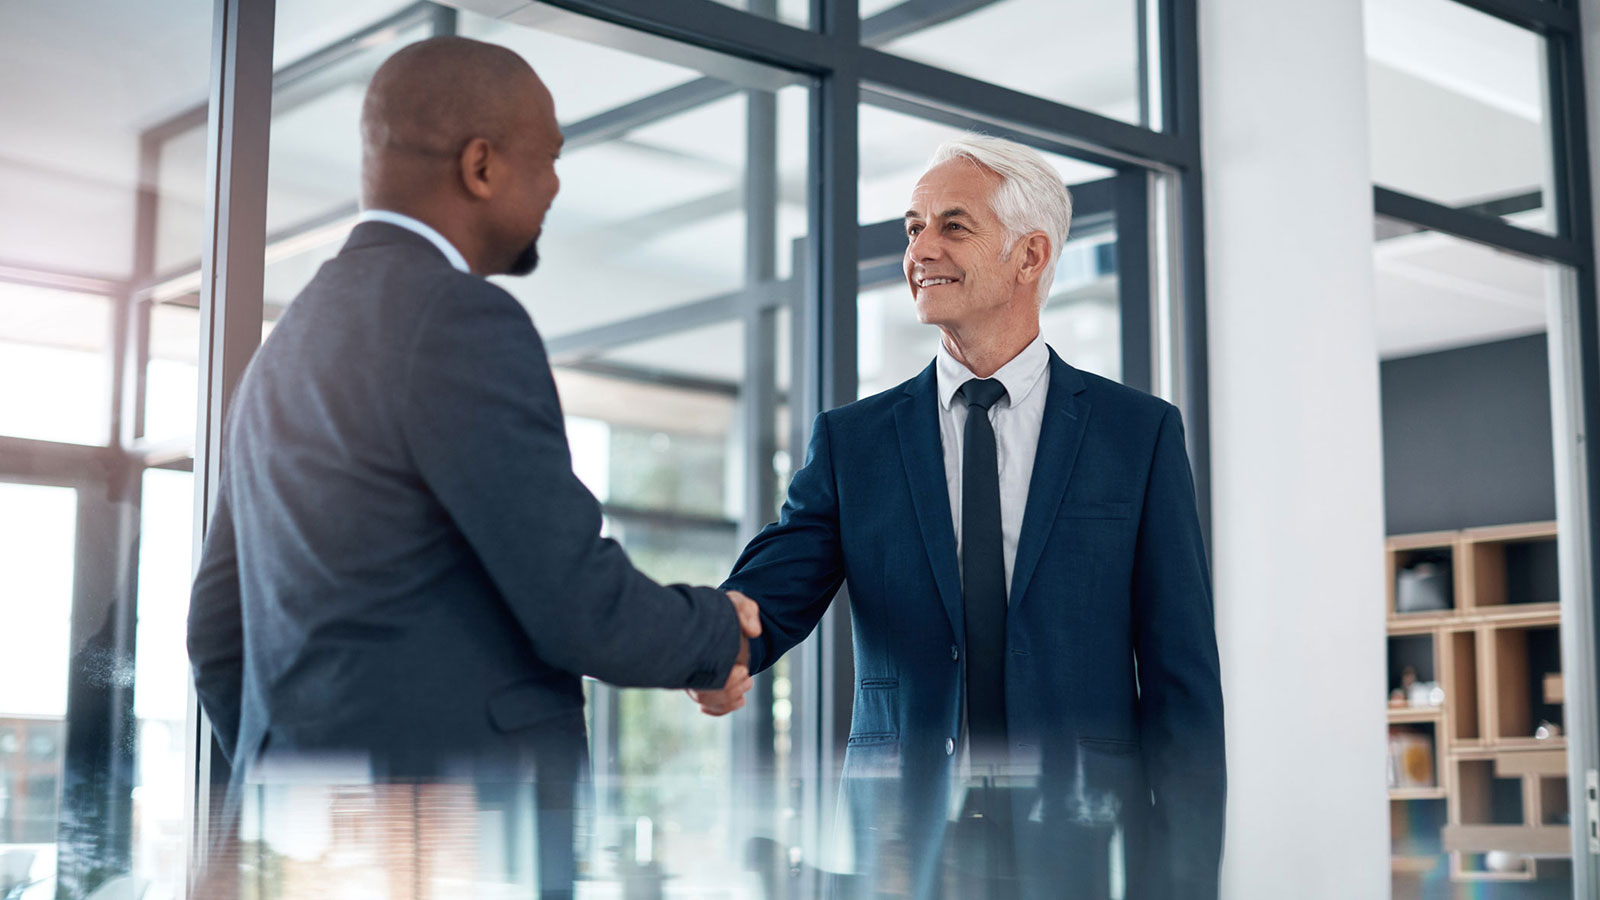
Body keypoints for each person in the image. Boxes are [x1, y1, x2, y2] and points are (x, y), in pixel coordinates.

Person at [186, 36, 760, 895]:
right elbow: (574, 601)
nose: (558, 186)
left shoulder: (288, 343)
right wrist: (718, 635)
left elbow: (214, 635)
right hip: (443, 844)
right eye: (551, 160)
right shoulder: (459, 320)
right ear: (482, 165)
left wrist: (306, 783)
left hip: (302, 847)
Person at [689, 135, 1226, 899]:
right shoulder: (855, 440)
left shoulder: (1137, 434)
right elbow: (777, 587)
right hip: (901, 846)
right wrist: (716, 647)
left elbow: (1183, 683)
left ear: (1030, 256)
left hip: (1080, 840)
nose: (920, 249)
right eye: (912, 227)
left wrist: (1185, 881)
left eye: (952, 226)